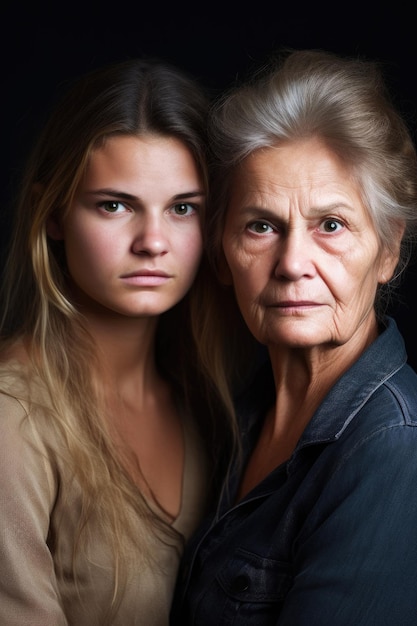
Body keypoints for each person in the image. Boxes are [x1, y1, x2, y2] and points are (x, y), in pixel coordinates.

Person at [170, 48, 417, 625]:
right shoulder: (237, 412)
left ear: (387, 249)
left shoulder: (393, 451)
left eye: (331, 225)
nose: (291, 264)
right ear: (222, 251)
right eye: (262, 225)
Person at [0, 57, 234, 625]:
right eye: (115, 205)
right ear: (52, 212)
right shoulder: (14, 419)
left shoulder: (204, 403)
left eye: (183, 208)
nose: (153, 241)